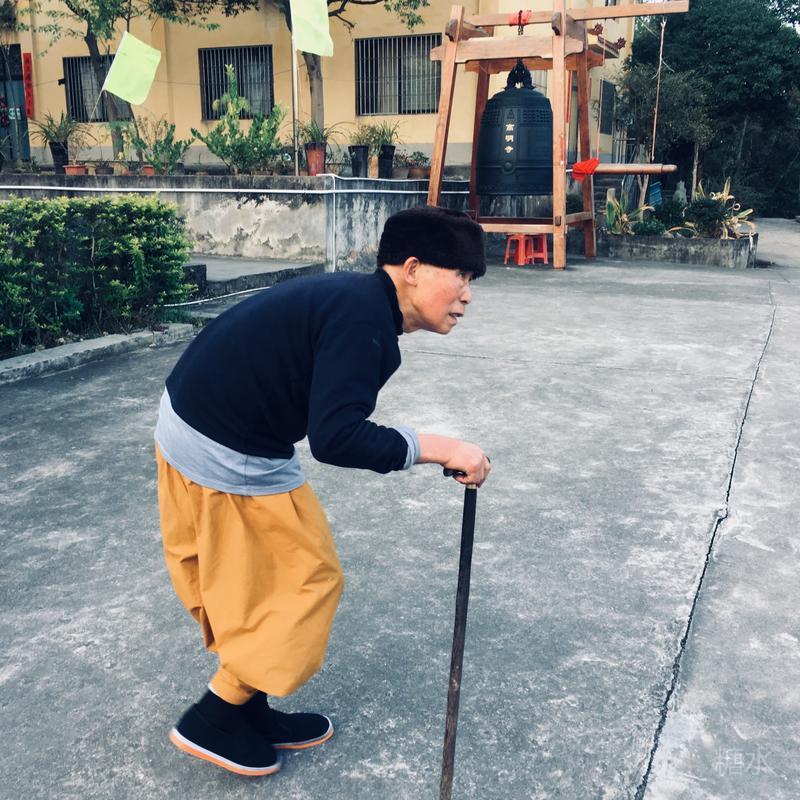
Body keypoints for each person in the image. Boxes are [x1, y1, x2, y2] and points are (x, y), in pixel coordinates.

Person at [154, 205, 492, 777]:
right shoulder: (363, 316)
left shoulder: (360, 303)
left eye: (472, 279)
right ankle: (214, 717)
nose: (467, 294)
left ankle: (249, 712)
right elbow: (336, 437)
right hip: (224, 443)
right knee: (307, 579)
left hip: (207, 423)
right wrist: (442, 447)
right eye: (459, 274)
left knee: (263, 579)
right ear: (412, 269)